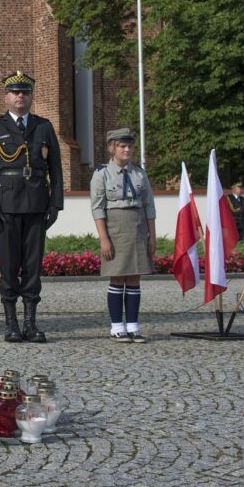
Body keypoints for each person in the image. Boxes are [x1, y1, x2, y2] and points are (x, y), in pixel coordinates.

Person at [0, 70, 63, 343]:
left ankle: (30, 324)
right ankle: (11, 324)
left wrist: (55, 204)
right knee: (8, 264)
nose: (20, 97)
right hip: (6, 207)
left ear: (30, 96)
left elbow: (56, 170)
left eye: (25, 93)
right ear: (6, 97)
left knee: (32, 265)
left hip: (37, 205)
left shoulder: (44, 127)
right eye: (15, 92)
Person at [89, 128, 156, 343]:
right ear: (112, 148)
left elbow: (149, 206)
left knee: (135, 277)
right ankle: (117, 327)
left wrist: (152, 236)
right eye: (122, 146)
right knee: (117, 276)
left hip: (137, 228)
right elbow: (98, 208)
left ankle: (133, 326)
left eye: (129, 146)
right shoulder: (102, 174)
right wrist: (104, 238)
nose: (126, 150)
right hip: (115, 229)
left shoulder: (139, 173)